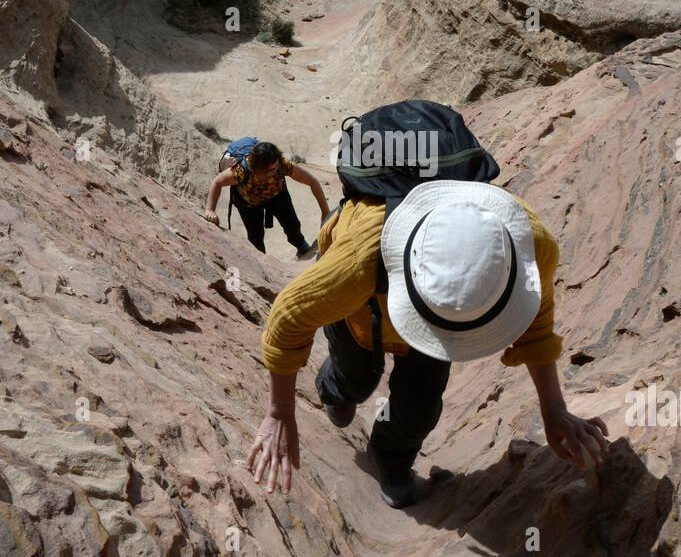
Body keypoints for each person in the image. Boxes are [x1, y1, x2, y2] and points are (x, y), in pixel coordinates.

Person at [246, 178, 610, 507]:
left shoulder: (531, 246)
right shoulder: (359, 261)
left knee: (418, 409)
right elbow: (288, 318)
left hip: (414, 318)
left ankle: (390, 457)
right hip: (362, 314)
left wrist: (554, 410)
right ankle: (336, 390)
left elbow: (536, 327)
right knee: (355, 377)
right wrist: (279, 412)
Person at [203, 140, 328, 259]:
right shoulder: (241, 171)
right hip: (248, 205)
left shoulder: (281, 165)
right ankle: (261, 266)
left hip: (277, 196)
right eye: (270, 170)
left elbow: (313, 182)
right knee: (255, 238)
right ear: (258, 167)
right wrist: (210, 209)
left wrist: (325, 212)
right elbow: (217, 183)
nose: (275, 171)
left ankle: (302, 246)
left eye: (276, 168)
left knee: (292, 225)